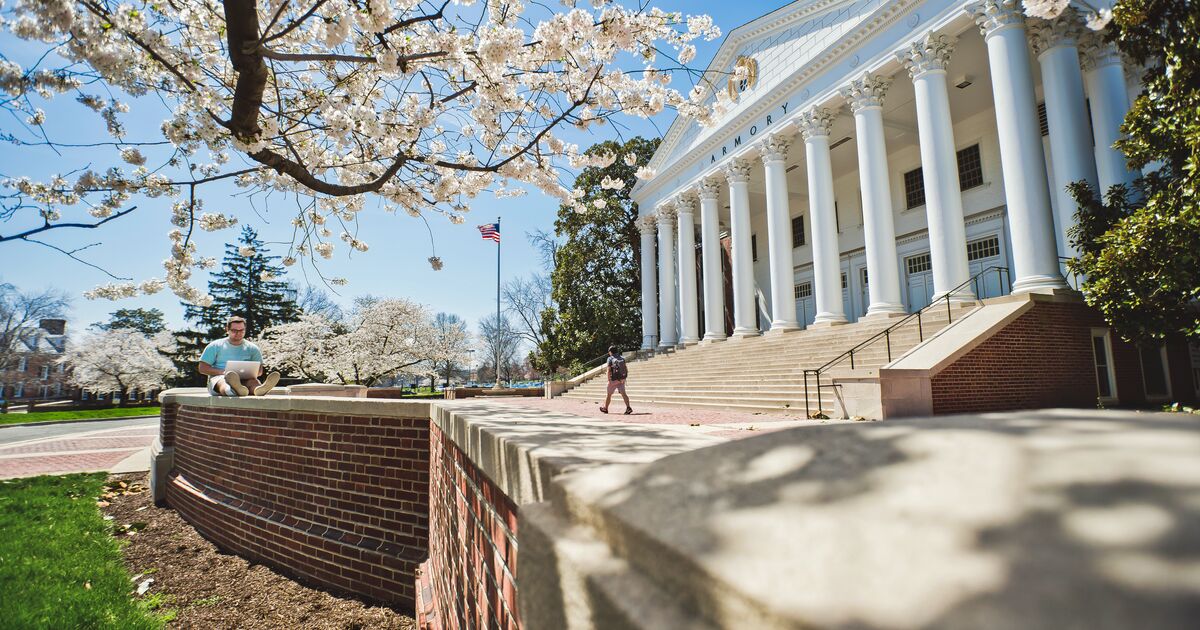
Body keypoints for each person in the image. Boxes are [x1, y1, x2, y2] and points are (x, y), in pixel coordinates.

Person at [198, 316, 280, 396]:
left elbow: (259, 371)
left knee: (253, 382)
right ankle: (231, 390)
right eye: (234, 330)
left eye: (241, 330)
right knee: (223, 382)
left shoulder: (253, 348)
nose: (238, 333)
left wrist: (248, 374)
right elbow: (202, 368)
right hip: (219, 378)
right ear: (227, 329)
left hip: (245, 379)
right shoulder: (215, 346)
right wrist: (223, 372)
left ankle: (257, 390)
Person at [599, 345, 632, 415]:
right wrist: (624, 378)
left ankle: (605, 408)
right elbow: (625, 368)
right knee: (624, 394)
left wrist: (608, 380)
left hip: (613, 380)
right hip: (621, 379)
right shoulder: (622, 358)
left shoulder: (610, 359)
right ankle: (628, 407)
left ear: (610, 352)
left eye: (609, 352)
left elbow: (608, 370)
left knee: (609, 395)